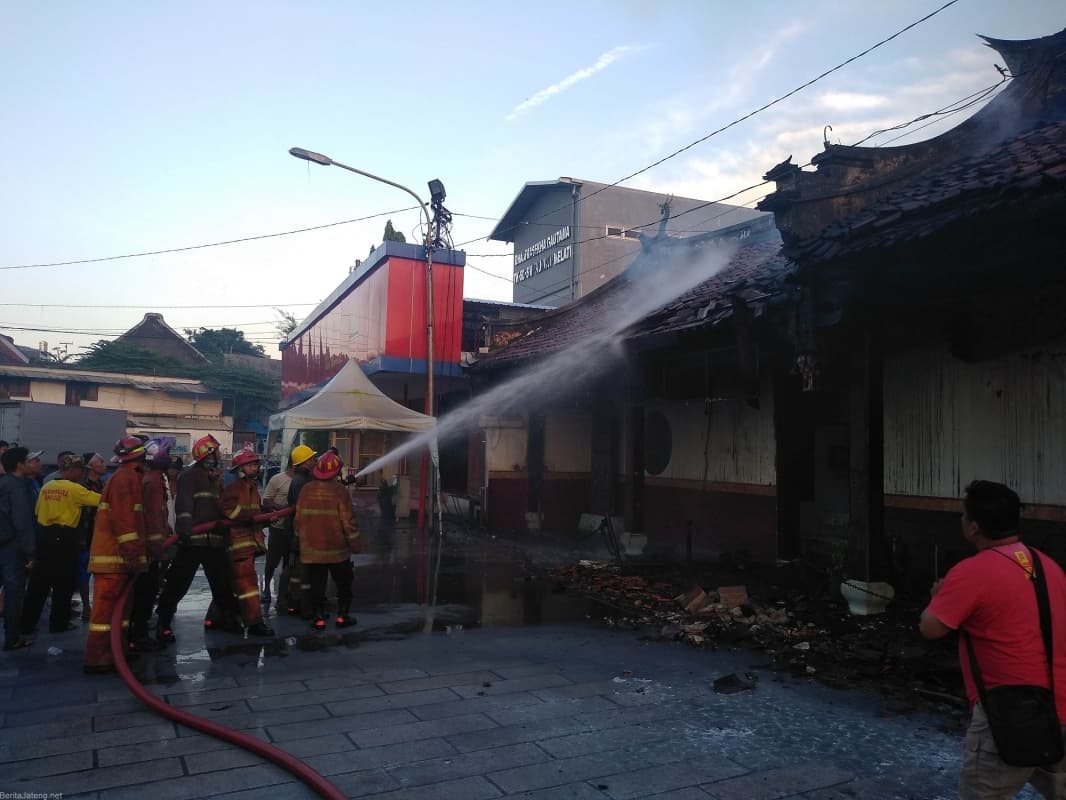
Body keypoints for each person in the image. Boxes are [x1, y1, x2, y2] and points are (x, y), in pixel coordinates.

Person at [920, 480, 1066, 799]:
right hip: (1061, 705)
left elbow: (931, 628)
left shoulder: (972, 571)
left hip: (1011, 715)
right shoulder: (1048, 565)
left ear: (974, 527)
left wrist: (937, 598)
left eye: (962, 515)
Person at [155, 435, 239, 643]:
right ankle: (163, 623)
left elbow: (220, 505)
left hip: (214, 539)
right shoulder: (189, 476)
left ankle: (227, 619)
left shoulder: (214, 478)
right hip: (193, 540)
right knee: (177, 583)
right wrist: (184, 531)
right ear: (208, 454)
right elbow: (183, 506)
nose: (219, 454)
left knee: (223, 584)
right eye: (216, 451)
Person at [84, 437, 148, 674]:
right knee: (105, 612)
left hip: (118, 560)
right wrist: (133, 555)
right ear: (140, 457)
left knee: (121, 612)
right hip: (113, 559)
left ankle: (116, 652)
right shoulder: (125, 479)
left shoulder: (127, 477)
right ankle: (97, 657)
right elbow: (124, 521)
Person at [21, 453, 100, 636]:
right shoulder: (75, 489)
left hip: (45, 536)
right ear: (72, 470)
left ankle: (26, 625)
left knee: (38, 583)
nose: (82, 474)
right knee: (63, 583)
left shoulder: (46, 487)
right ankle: (59, 623)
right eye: (80, 470)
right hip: (65, 537)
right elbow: (101, 500)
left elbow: (38, 512)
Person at [294, 452, 360, 631]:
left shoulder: (306, 489)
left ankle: (318, 618)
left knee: (317, 585)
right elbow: (348, 521)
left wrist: (301, 540)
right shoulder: (340, 491)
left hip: (312, 550)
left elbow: (298, 519)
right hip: (337, 550)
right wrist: (355, 544)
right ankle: (342, 616)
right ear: (337, 471)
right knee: (344, 583)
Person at [220, 447, 273, 637]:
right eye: (250, 465)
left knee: (234, 586)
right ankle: (254, 623)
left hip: (247, 544)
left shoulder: (250, 488)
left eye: (255, 465)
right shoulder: (234, 487)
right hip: (238, 545)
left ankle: (220, 618)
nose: (255, 468)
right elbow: (228, 510)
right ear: (240, 468)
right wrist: (248, 517)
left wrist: (266, 514)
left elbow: (254, 513)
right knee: (248, 587)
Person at [129, 438, 174, 651]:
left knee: (146, 592)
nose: (171, 458)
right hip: (150, 550)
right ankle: (138, 635)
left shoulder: (153, 477)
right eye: (168, 453)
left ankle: (138, 632)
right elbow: (154, 515)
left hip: (148, 547)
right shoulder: (154, 480)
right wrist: (159, 548)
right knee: (145, 593)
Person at [260, 445, 314, 608]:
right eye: (310, 459)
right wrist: (280, 510)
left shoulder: (307, 480)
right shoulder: (278, 479)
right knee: (272, 561)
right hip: (278, 528)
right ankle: (267, 590)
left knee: (289, 562)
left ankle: (286, 594)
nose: (313, 462)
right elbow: (266, 501)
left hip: (293, 528)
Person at [0, 446, 37, 650]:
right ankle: (12, 638)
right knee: (14, 594)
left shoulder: (3, 483)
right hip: (12, 548)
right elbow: (22, 521)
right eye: (28, 460)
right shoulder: (17, 487)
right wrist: (30, 551)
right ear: (19, 465)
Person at [76, 452, 108, 620]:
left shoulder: (103, 485)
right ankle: (86, 606)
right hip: (85, 537)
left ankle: (98, 605)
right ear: (90, 466)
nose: (104, 464)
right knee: (83, 573)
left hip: (101, 536)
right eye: (100, 461)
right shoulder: (81, 486)